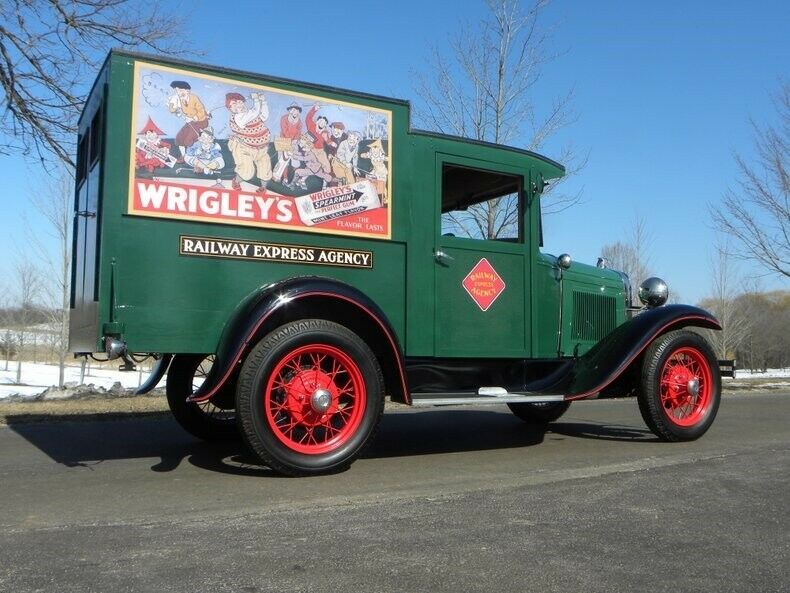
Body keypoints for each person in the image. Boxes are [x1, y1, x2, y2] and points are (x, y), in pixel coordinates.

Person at [225, 91, 272, 191]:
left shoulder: (250, 113)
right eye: (233, 104)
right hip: (244, 148)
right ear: (230, 109)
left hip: (261, 148)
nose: (238, 105)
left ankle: (263, 187)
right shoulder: (238, 117)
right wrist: (256, 100)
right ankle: (236, 181)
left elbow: (264, 115)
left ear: (243, 102)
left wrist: (263, 102)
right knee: (246, 171)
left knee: (265, 167)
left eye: (239, 102)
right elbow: (255, 112)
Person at [168, 80, 209, 160]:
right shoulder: (180, 100)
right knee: (180, 137)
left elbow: (201, 112)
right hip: (190, 123)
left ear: (187, 90)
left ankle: (193, 156)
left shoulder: (194, 98)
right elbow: (174, 110)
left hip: (201, 122)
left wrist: (193, 118)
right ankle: (183, 156)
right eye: (177, 91)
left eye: (180, 90)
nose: (179, 93)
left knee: (188, 139)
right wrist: (175, 109)